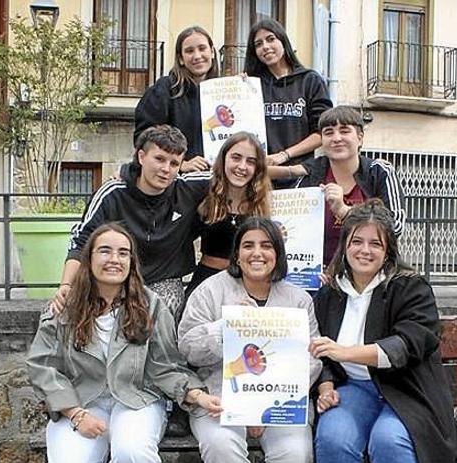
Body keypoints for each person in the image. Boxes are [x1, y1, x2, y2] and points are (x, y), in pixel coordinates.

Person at [27, 223, 223, 463]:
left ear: (132, 261)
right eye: (105, 251)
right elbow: (43, 366)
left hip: (137, 399)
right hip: (80, 401)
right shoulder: (66, 307)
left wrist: (196, 394)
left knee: (133, 456)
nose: (114, 259)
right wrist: (75, 414)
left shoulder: (150, 304)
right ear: (89, 258)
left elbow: (165, 366)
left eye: (123, 253)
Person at [308, 200, 457, 463]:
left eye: (375, 244)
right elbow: (320, 352)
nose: (364, 250)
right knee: (333, 436)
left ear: (388, 251)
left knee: (388, 440)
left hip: (408, 391)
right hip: (354, 389)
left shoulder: (411, 288)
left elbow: (406, 345)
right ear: (344, 245)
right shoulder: (330, 293)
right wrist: (326, 388)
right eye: (356, 241)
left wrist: (344, 351)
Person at [178, 217, 322, 463]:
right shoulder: (210, 290)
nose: (257, 253)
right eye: (248, 246)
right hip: (219, 398)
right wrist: (228, 326)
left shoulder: (299, 299)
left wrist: (262, 405)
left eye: (266, 245)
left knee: (295, 456)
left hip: (280, 401)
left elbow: (312, 359)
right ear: (237, 254)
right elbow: (187, 347)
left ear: (277, 254)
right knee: (221, 446)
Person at [53, 125, 211, 320]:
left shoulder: (188, 188)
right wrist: (67, 285)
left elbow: (234, 173)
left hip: (164, 280)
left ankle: (161, 352)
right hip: (114, 279)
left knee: (165, 305)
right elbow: (81, 240)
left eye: (174, 163)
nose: (165, 169)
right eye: (159, 159)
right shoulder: (112, 193)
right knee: (60, 312)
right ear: (141, 157)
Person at [296, 106, 406, 266]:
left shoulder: (379, 171)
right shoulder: (309, 176)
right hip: (318, 276)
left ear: (360, 138)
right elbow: (295, 229)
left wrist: (345, 211)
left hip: (370, 275)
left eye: (344, 131)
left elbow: (395, 226)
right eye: (328, 132)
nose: (336, 138)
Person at [244, 19, 332, 188]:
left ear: (283, 41)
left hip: (300, 177)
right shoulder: (252, 85)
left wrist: (285, 155)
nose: (265, 47)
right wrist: (236, 89)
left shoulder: (310, 80)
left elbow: (322, 132)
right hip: (259, 180)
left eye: (271, 39)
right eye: (258, 44)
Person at [185, 131, 273, 300]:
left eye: (251, 161)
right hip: (207, 281)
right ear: (224, 158)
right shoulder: (203, 191)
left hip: (247, 284)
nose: (242, 166)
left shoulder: (262, 202)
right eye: (236, 158)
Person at [135, 26, 219, 173]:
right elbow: (145, 139)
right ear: (180, 59)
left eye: (202, 48)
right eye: (189, 51)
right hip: (176, 184)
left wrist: (243, 89)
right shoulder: (163, 90)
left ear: (211, 52)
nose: (197, 56)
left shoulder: (222, 90)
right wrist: (180, 165)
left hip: (216, 183)